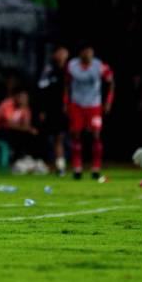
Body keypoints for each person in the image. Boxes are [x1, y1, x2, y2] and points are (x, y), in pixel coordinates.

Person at [65, 44, 114, 181]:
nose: (88, 55)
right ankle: (77, 168)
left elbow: (110, 82)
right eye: (85, 52)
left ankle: (96, 168)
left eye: (90, 52)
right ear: (80, 53)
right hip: (77, 104)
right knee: (75, 135)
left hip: (94, 105)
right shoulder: (72, 66)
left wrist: (108, 101)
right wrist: (66, 101)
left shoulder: (100, 66)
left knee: (96, 135)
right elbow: (67, 84)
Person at [36, 45, 69, 175]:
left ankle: (72, 166)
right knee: (55, 138)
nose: (62, 55)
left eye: (64, 52)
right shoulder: (49, 70)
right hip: (52, 109)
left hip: (70, 109)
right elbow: (42, 90)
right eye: (59, 52)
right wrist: (42, 109)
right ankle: (57, 166)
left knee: (66, 137)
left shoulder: (71, 70)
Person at [0, 89, 38, 159]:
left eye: (25, 98)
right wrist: (27, 128)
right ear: (16, 96)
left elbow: (26, 124)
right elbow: (8, 124)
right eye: (21, 97)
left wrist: (24, 109)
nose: (23, 100)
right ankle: (17, 159)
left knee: (29, 135)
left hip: (12, 132)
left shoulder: (25, 108)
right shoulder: (8, 104)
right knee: (21, 135)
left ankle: (25, 158)